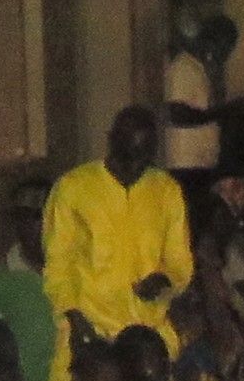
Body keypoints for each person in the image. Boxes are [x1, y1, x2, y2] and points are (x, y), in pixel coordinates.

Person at [50, 103, 197, 362]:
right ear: (111, 142)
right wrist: (74, 318)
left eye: (144, 158)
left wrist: (165, 279)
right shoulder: (72, 188)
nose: (135, 167)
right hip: (90, 332)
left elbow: (180, 264)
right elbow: (57, 265)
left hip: (148, 336)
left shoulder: (167, 191)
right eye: (128, 158)